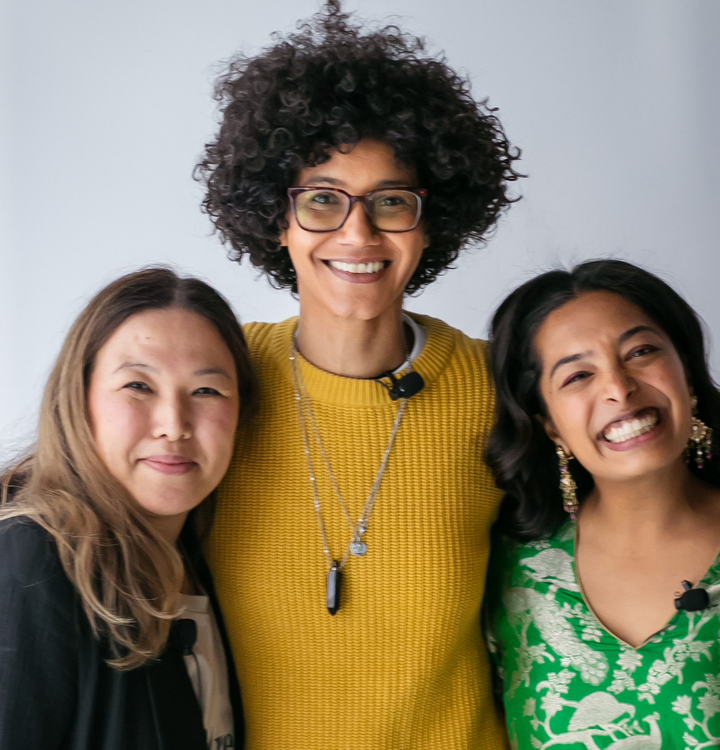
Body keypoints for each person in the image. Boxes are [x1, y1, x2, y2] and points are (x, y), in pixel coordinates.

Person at [194, 2, 522, 748]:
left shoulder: (495, 385)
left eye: (391, 202)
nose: (357, 234)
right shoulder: (218, 379)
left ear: (432, 222)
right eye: (321, 200)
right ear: (274, 219)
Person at [485, 259, 720, 749]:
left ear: (686, 371)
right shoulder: (509, 573)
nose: (618, 387)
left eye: (641, 351)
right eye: (577, 376)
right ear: (548, 423)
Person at [0, 268, 253, 750]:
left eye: (207, 391)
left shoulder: (208, 563)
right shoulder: (33, 560)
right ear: (78, 398)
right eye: (138, 386)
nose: (174, 425)